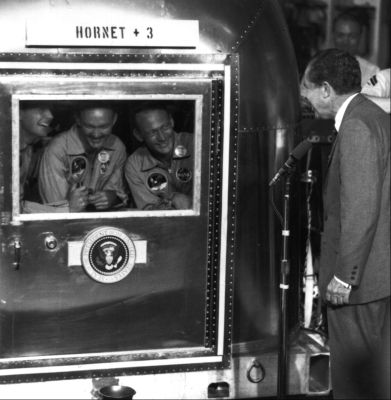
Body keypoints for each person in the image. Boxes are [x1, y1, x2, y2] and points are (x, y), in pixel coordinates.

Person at [301, 49, 390, 399]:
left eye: (306, 89)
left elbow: (361, 208)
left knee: (357, 385)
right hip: (378, 278)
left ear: (325, 89)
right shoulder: (375, 117)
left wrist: (343, 276)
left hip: (360, 285)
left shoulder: (356, 126)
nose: (304, 98)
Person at [39, 102, 127, 212]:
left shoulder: (117, 147)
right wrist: (70, 206)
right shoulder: (57, 150)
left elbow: (120, 195)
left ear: (114, 120)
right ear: (78, 120)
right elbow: (52, 209)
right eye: (89, 126)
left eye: (103, 126)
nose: (96, 134)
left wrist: (112, 197)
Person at [125, 103, 193, 210]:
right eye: (152, 133)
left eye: (165, 127)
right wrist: (170, 202)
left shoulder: (196, 144)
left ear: (171, 122)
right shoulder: (134, 165)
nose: (162, 137)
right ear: (139, 135)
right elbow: (149, 213)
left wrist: (190, 202)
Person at [332, 10, 380, 87]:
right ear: (333, 36)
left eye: (352, 36)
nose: (345, 42)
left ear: (359, 38)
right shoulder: (317, 68)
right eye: (340, 35)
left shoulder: (372, 72)